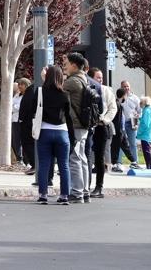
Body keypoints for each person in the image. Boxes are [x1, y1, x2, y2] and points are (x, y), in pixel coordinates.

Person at [32, 65, 73, 205]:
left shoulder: (40, 92)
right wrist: (72, 136)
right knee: (64, 165)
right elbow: (69, 116)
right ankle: (64, 195)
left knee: (44, 164)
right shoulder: (65, 94)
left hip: (45, 130)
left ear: (47, 77)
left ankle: (43, 194)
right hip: (62, 132)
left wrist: (44, 79)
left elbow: (32, 109)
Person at [62, 52, 92, 203]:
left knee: (74, 158)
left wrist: (44, 78)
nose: (64, 67)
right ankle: (85, 191)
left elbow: (56, 90)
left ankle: (77, 192)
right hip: (83, 124)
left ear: (74, 65)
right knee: (81, 157)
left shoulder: (73, 81)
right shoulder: (84, 79)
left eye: (66, 64)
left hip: (75, 125)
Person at [88, 67, 118, 198]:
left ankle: (99, 187)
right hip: (88, 126)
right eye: (98, 77)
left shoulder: (106, 90)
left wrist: (104, 120)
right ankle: (85, 185)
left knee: (99, 158)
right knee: (87, 157)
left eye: (101, 77)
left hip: (101, 126)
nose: (100, 80)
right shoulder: (86, 88)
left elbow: (113, 108)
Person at [112, 80, 141, 171]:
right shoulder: (118, 100)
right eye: (124, 86)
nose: (126, 88)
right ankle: (118, 163)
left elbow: (139, 111)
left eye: (127, 86)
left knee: (132, 143)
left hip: (132, 122)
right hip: (121, 123)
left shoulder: (135, 98)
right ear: (121, 88)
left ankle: (134, 162)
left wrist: (136, 119)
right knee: (121, 143)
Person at [137, 96, 151, 170]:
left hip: (145, 134)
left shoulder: (147, 111)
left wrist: (139, 132)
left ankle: (150, 167)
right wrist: (139, 118)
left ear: (145, 103)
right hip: (147, 134)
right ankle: (149, 166)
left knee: (147, 151)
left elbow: (145, 124)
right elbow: (145, 120)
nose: (140, 104)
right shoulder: (148, 110)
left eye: (141, 102)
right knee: (146, 151)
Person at [11, 79, 26, 165]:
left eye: (21, 84)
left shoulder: (25, 96)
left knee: (22, 140)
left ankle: (24, 159)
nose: (19, 86)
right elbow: (10, 106)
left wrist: (14, 107)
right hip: (14, 120)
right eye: (18, 85)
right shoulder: (16, 96)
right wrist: (14, 107)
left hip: (22, 120)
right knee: (14, 141)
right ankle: (19, 158)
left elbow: (20, 107)